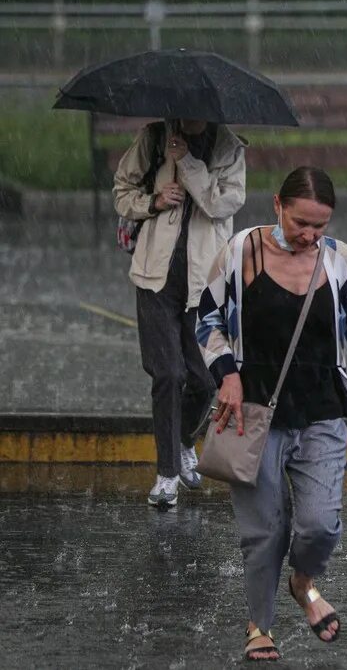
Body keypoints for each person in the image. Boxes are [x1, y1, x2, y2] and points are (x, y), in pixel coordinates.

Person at [195, 166, 347, 662]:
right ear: (277, 204)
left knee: (320, 525)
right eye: (301, 223)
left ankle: (302, 582)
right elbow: (206, 316)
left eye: (320, 226)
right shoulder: (242, 251)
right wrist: (226, 373)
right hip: (253, 414)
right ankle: (260, 626)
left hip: (320, 411)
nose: (310, 236)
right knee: (264, 532)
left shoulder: (338, 260)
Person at [112, 118, 246, 507]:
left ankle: (185, 440)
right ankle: (167, 474)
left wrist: (187, 163)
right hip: (154, 276)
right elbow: (122, 191)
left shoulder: (229, 148)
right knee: (168, 374)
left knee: (205, 380)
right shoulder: (154, 137)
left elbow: (222, 203)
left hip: (205, 282)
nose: (190, 116)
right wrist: (151, 201)